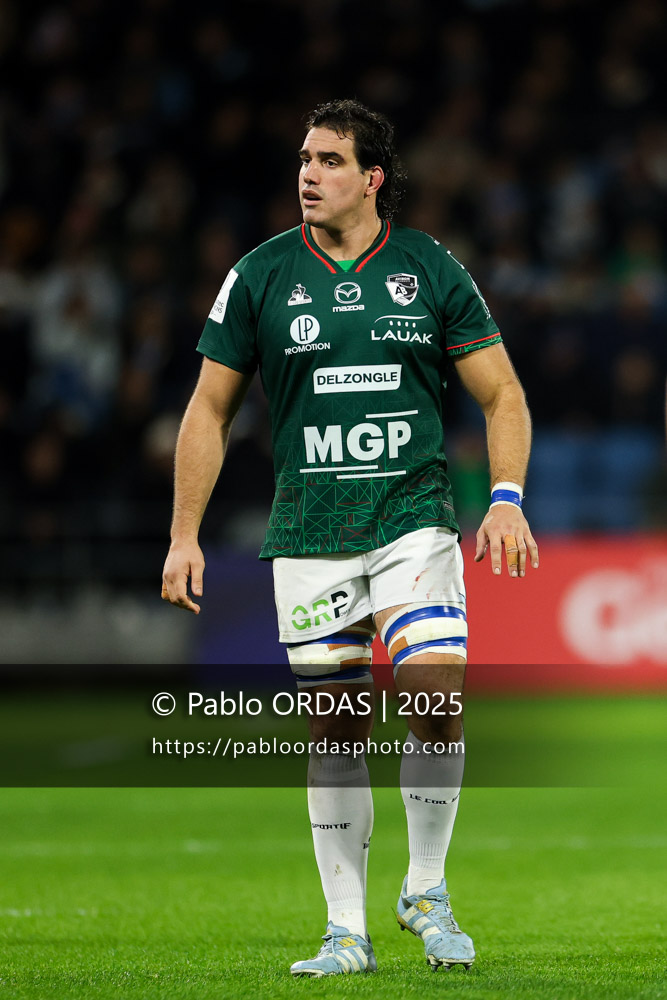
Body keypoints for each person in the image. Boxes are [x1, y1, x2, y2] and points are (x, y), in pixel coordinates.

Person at [162, 98, 538, 976]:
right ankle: (345, 931)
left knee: (434, 694)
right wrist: (185, 533)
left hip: (412, 518)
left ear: (371, 177)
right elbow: (207, 410)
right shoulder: (257, 276)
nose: (307, 174)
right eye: (303, 158)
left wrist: (508, 496)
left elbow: (502, 394)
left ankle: (426, 889)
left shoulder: (428, 269)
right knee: (336, 729)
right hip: (311, 529)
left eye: (329, 160)